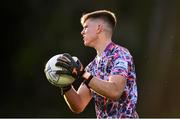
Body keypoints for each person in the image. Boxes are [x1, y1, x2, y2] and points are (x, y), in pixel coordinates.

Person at [55, 10, 138, 118]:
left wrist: (84, 74)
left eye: (86, 27)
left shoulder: (120, 54)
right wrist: (65, 85)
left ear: (99, 28)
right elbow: (79, 104)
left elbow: (115, 91)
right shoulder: (91, 67)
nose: (82, 32)